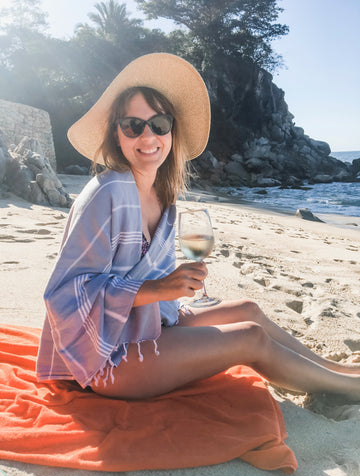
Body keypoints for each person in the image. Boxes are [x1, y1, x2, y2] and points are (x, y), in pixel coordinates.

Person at [36, 53, 360, 401]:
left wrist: (165, 295)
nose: (148, 136)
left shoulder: (164, 196)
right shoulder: (107, 194)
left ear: (172, 131)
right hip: (103, 355)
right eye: (133, 125)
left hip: (146, 324)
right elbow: (65, 294)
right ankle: (350, 390)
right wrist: (159, 288)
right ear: (117, 134)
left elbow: (154, 289)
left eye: (159, 123)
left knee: (248, 309)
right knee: (250, 337)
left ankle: (335, 370)